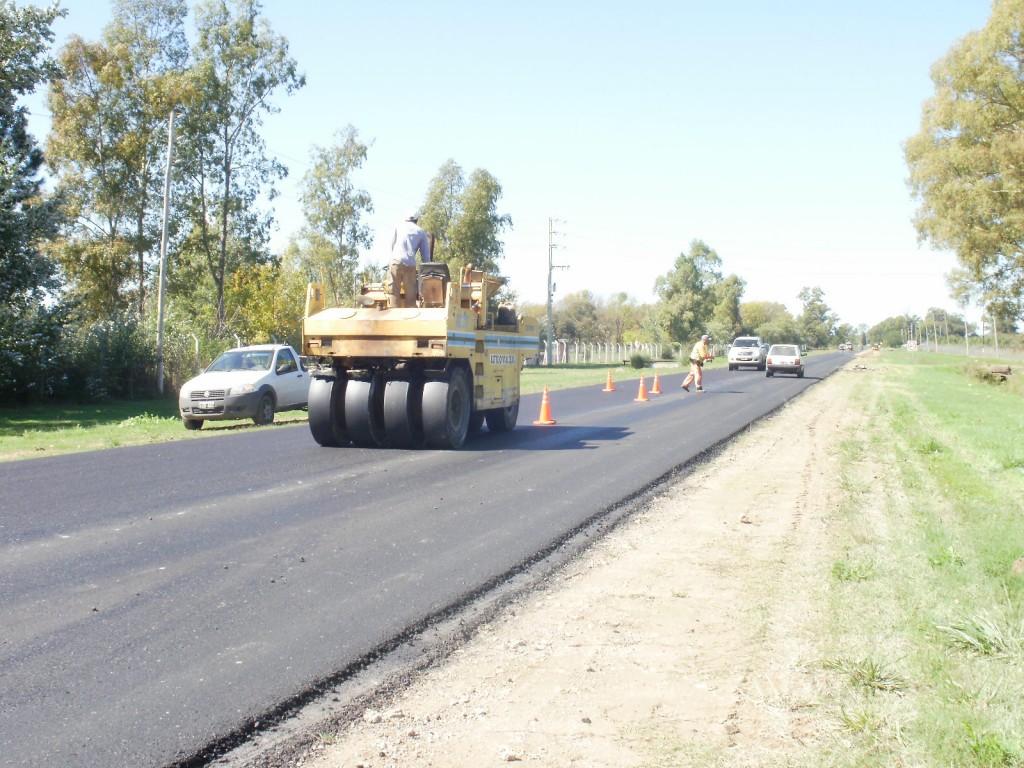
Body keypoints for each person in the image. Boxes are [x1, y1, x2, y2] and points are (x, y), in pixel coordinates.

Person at [390, 211, 431, 308]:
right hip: (410, 265)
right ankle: (410, 316)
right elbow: (425, 258)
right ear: (417, 220)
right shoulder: (421, 232)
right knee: (411, 295)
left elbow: (392, 246)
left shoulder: (398, 227)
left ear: (406, 219)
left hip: (395, 262)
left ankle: (394, 315)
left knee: (394, 292)